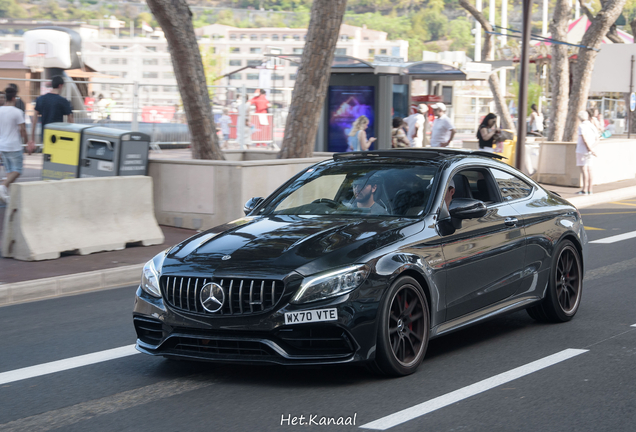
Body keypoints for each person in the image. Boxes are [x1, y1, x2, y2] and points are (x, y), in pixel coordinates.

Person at [29, 75, 73, 152]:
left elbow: (34, 119)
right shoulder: (63, 101)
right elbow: (71, 120)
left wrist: (32, 139)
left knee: (47, 157)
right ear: (60, 85)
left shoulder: (40, 99)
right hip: (58, 135)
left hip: (45, 134)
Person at [0, 87, 28, 205]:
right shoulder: (17, 112)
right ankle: (3, 187)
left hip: (2, 146)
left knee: (10, 171)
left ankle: (7, 195)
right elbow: (22, 129)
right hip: (14, 146)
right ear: (13, 98)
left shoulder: (0, 110)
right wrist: (26, 142)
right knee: (17, 170)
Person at [575, 111, 597, 195]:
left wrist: (589, 148)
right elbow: (597, 139)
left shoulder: (582, 126)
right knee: (589, 169)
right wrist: (592, 148)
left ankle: (584, 189)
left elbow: (584, 138)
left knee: (584, 170)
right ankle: (590, 189)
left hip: (582, 150)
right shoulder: (592, 126)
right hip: (590, 150)